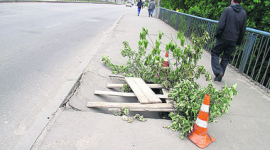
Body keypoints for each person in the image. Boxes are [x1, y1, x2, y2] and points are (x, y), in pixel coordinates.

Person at [211, 0, 247, 82]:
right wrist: (238, 41)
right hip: (234, 39)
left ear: (232, 0)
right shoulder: (243, 13)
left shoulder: (227, 10)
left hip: (224, 37)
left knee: (215, 52)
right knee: (226, 57)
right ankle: (220, 76)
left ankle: (218, 71)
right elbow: (243, 30)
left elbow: (221, 25)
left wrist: (218, 34)